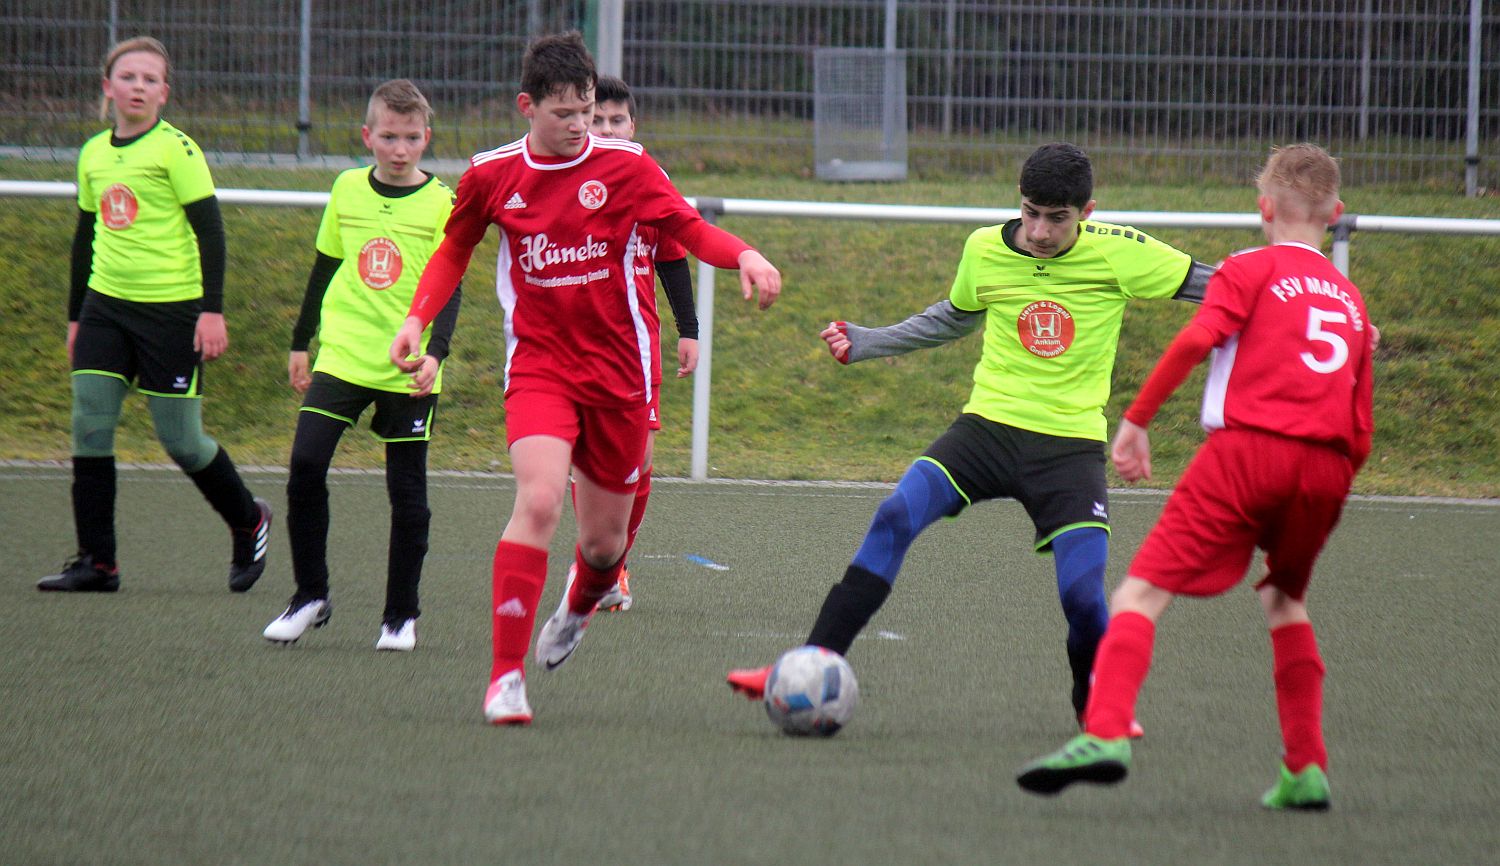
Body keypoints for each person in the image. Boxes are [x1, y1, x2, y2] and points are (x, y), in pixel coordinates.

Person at [727, 142, 1214, 737]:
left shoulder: (1123, 252)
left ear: (1086, 211)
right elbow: (954, 316)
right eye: (1030, 211)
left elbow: (1222, 289)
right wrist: (870, 340)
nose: (1038, 231)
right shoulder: (985, 248)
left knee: (1085, 598)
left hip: (1068, 449)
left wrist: (1325, 308)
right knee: (894, 515)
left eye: (1056, 218)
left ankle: (1097, 709)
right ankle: (806, 667)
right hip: (984, 431)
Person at [388, 32, 780, 725]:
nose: (579, 126)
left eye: (587, 110)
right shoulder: (492, 175)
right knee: (538, 502)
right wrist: (418, 320)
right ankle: (506, 679)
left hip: (619, 377)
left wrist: (744, 254)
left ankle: (577, 605)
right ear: (527, 107)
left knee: (604, 545)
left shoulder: (627, 167)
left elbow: (689, 231)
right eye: (564, 113)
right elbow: (453, 250)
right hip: (540, 368)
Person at [1015, 144, 1373, 810]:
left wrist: (1136, 420)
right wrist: (1330, 482)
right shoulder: (1352, 303)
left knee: (1138, 596)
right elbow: (1362, 423)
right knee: (1285, 602)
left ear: (1263, 208)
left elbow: (1194, 340)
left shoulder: (1249, 268)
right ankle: (1307, 767)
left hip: (1248, 453)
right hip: (1326, 469)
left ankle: (1105, 732)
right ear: (1337, 214)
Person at [39, 36, 271, 594]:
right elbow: (85, 235)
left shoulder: (177, 150)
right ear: (108, 87)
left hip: (172, 313)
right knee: (90, 425)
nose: (137, 87)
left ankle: (249, 518)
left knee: (182, 442)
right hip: (104, 309)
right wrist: (76, 317)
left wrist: (210, 312)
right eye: (128, 77)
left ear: (164, 93)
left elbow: (211, 232)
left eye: (149, 79)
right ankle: (98, 563)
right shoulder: (94, 152)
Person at [261, 79, 462, 651]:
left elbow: (449, 288)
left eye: (412, 138)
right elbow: (324, 267)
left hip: (409, 363)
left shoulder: (442, 202)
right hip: (344, 354)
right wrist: (302, 342)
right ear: (367, 136)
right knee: (304, 464)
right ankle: (310, 595)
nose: (400, 149)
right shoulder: (346, 189)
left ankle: (400, 615)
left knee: (407, 492)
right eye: (389, 137)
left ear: (427, 138)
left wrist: (436, 354)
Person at [564, 73, 702, 613]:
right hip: (576, 345)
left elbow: (672, 251)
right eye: (596, 118)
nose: (605, 128)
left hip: (635, 347)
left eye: (615, 119)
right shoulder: (569, 174)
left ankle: (612, 563)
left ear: (633, 125)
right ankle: (592, 560)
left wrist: (688, 328)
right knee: (586, 462)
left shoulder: (648, 177)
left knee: (639, 461)